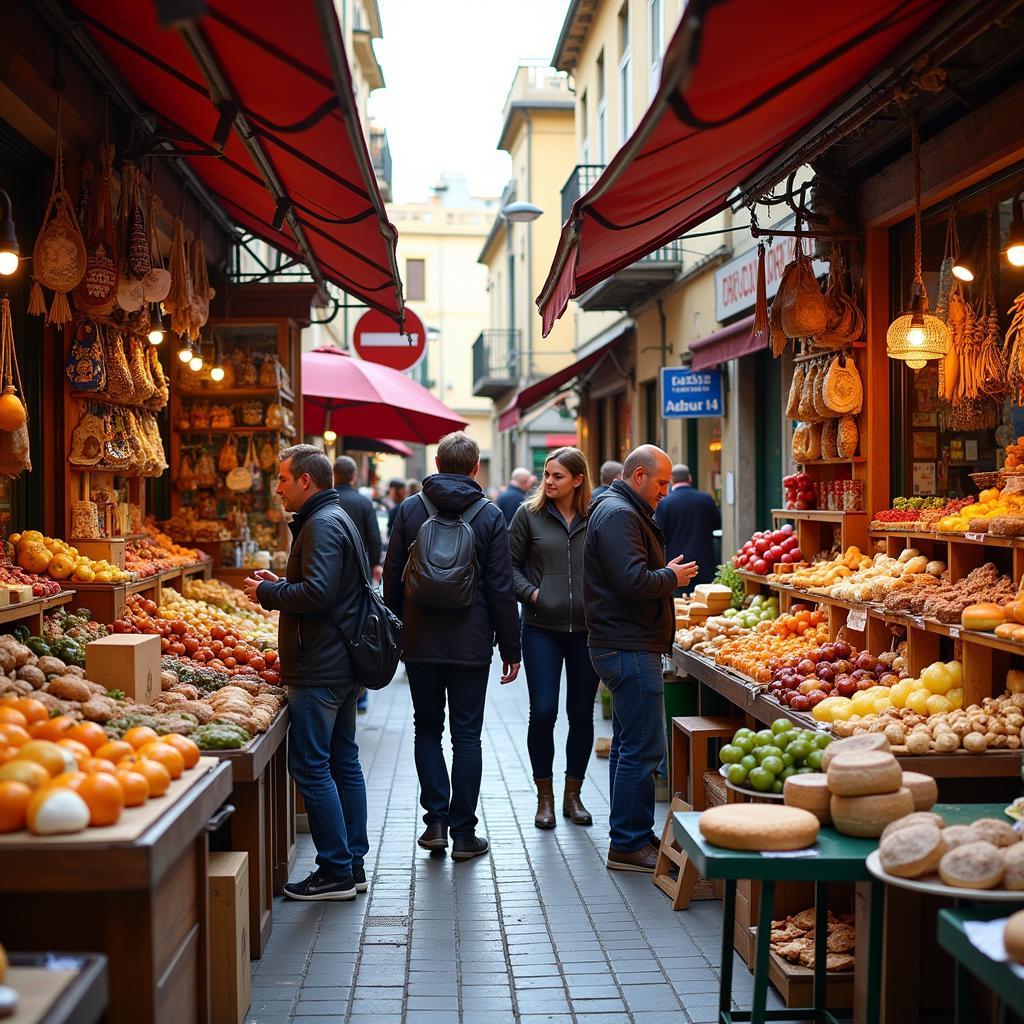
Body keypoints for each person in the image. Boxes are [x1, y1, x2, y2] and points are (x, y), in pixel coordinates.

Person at [384, 431, 521, 861]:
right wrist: (511, 649)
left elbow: (391, 576)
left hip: (420, 640)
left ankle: (435, 824)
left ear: (438, 463)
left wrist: (395, 632)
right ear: (475, 468)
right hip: (472, 641)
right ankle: (464, 834)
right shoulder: (490, 515)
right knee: (467, 737)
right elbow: (501, 587)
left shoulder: (410, 508)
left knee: (426, 730)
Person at [243, 444, 369, 900]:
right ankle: (351, 864)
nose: (276, 487)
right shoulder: (334, 519)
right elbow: (327, 588)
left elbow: (317, 594)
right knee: (343, 761)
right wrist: (278, 584)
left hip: (321, 666)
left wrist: (269, 593)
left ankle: (336, 869)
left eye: (281, 478)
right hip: (337, 661)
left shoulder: (321, 524)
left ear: (305, 481)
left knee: (312, 766)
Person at [584, 444, 698, 872]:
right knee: (643, 747)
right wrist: (672, 576)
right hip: (628, 644)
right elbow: (632, 581)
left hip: (625, 641)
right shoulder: (618, 515)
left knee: (631, 746)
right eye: (661, 482)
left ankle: (630, 834)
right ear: (638, 477)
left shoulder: (619, 509)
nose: (666, 492)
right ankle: (629, 843)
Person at [508, 447, 599, 830]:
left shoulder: (597, 516)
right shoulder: (527, 515)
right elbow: (508, 567)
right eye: (546, 474)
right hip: (542, 628)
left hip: (587, 631)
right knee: (543, 711)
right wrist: (532, 593)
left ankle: (572, 796)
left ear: (577, 480)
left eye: (557, 475)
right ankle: (543, 798)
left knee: (581, 714)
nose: (548, 481)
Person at [654, 464, 722, 593]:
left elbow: (659, 533)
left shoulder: (664, 503)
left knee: (680, 606)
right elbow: (717, 525)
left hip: (678, 565)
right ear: (689, 478)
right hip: (704, 562)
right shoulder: (706, 499)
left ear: (671, 480)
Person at [334, 456, 383, 584]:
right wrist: (375, 563)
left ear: (333, 475)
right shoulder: (364, 502)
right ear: (354, 477)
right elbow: (373, 537)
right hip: (358, 566)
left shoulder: (327, 500)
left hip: (329, 563)